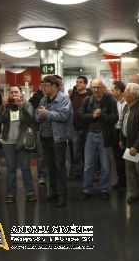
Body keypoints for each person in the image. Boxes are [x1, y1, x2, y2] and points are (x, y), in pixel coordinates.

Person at [35, 75, 72, 208]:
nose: (44, 88)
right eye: (43, 85)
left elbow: (63, 115)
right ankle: (53, 192)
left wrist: (46, 114)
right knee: (50, 167)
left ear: (55, 86)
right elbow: (37, 113)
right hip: (45, 137)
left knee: (60, 167)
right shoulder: (44, 99)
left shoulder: (64, 99)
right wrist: (39, 115)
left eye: (46, 85)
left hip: (58, 138)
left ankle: (62, 196)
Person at [78, 79, 118, 201]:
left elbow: (115, 118)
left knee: (105, 165)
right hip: (90, 135)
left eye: (98, 87)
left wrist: (102, 115)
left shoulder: (110, 100)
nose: (95, 90)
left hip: (104, 136)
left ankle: (104, 189)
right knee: (88, 165)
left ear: (103, 88)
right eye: (93, 87)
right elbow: (80, 116)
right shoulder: (87, 100)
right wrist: (92, 116)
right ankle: (86, 189)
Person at [0, 85, 37, 203]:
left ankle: (30, 193)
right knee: (11, 168)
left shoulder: (27, 104)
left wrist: (21, 106)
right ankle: (10, 194)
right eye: (12, 92)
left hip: (22, 141)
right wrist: (3, 107)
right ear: (9, 94)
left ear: (21, 94)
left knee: (25, 167)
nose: (14, 94)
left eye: (16, 92)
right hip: (7, 141)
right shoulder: (5, 105)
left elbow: (30, 120)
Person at [119, 83, 139, 205]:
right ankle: (135, 194)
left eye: (126, 92)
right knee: (130, 171)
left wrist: (136, 147)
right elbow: (122, 123)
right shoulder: (126, 106)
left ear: (133, 95)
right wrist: (121, 139)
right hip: (128, 143)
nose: (124, 93)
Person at [69, 76, 91, 180]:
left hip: (87, 128)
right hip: (75, 128)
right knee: (76, 152)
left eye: (80, 82)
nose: (78, 84)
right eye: (77, 82)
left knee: (88, 151)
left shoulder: (90, 96)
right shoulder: (73, 96)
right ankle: (77, 171)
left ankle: (88, 172)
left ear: (85, 84)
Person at [29, 83, 47, 185]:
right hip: (39, 128)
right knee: (41, 154)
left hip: (51, 129)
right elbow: (34, 114)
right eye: (44, 85)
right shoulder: (35, 97)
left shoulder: (55, 97)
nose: (45, 87)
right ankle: (41, 176)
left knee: (49, 154)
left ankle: (46, 175)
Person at [111, 81, 127, 189]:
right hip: (115, 132)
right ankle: (121, 180)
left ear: (118, 91)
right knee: (118, 158)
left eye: (112, 90)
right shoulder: (114, 102)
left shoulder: (126, 103)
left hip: (125, 133)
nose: (111, 92)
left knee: (128, 157)